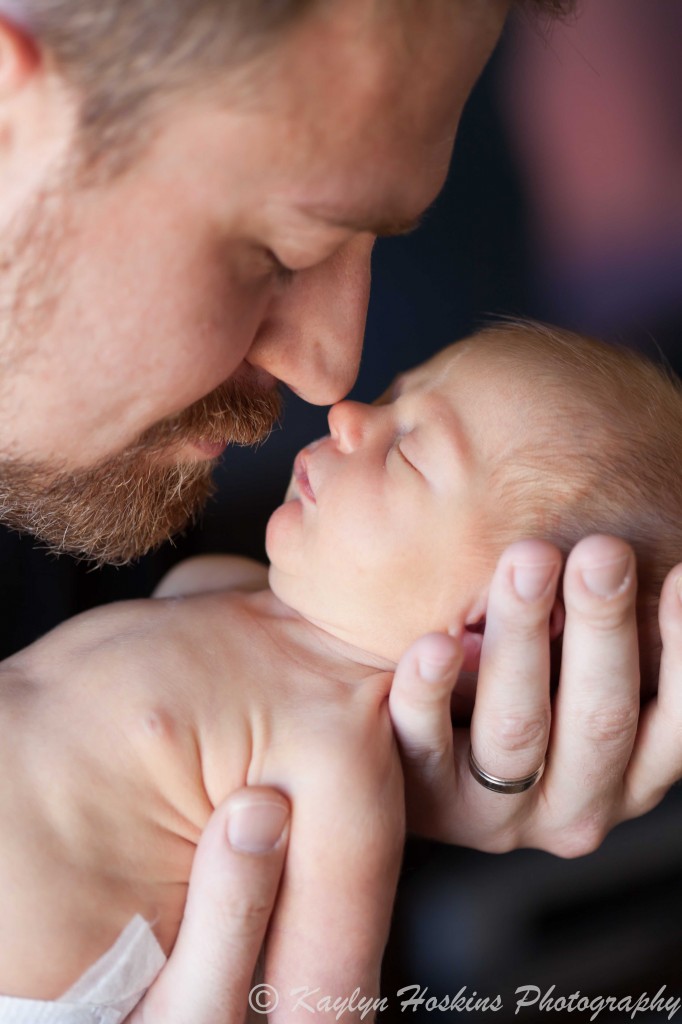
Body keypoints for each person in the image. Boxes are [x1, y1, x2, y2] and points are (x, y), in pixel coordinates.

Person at [1, 1, 681, 1020]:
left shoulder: (325, 748)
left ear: (491, 622)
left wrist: (427, 767)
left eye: (411, 452)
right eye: (278, 250)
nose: (333, 382)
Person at [2, 320, 682, 1018]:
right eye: (392, 394)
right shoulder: (222, 589)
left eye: (409, 452)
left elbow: (321, 1007)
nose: (350, 414)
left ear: (500, 620)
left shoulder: (338, 759)